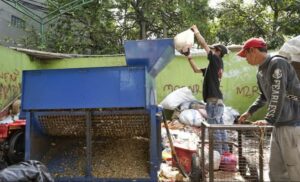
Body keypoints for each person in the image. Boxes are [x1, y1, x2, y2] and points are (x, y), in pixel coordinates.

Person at [237, 37, 300, 181]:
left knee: (295, 170)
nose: (245, 59)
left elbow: (278, 92)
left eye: (245, 54)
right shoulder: (261, 71)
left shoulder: (277, 63)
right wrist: (250, 111)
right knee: (276, 171)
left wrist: (268, 119)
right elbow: (264, 96)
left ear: (253, 51)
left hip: (292, 124)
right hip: (278, 125)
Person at [185, 25, 229, 155]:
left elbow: (204, 44)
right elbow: (196, 70)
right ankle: (224, 154)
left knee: (214, 130)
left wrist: (196, 31)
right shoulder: (214, 66)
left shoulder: (216, 59)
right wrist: (189, 57)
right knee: (219, 129)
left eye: (213, 49)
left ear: (218, 51)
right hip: (217, 101)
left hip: (214, 102)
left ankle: (217, 156)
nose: (211, 50)